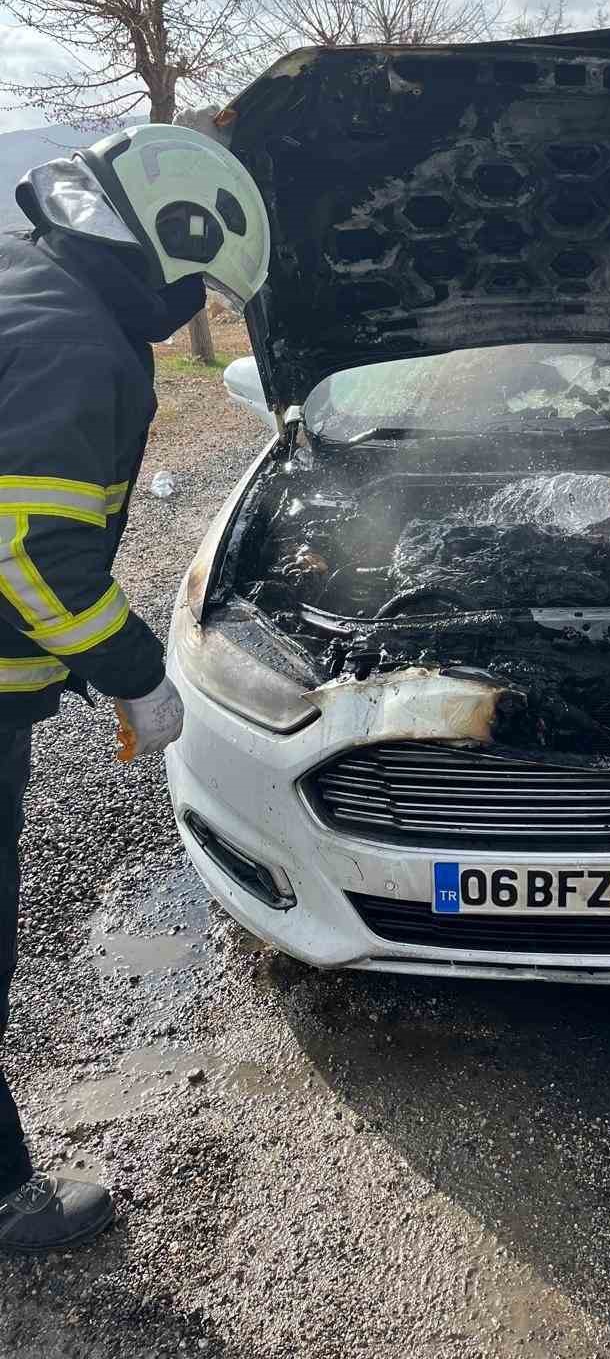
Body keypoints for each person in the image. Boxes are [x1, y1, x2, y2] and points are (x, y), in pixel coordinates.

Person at [0, 124, 270, 1253]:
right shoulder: (74, 340)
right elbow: (27, 550)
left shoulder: (27, 283)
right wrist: (138, 672)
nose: (192, 308)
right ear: (165, 242)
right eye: (199, 280)